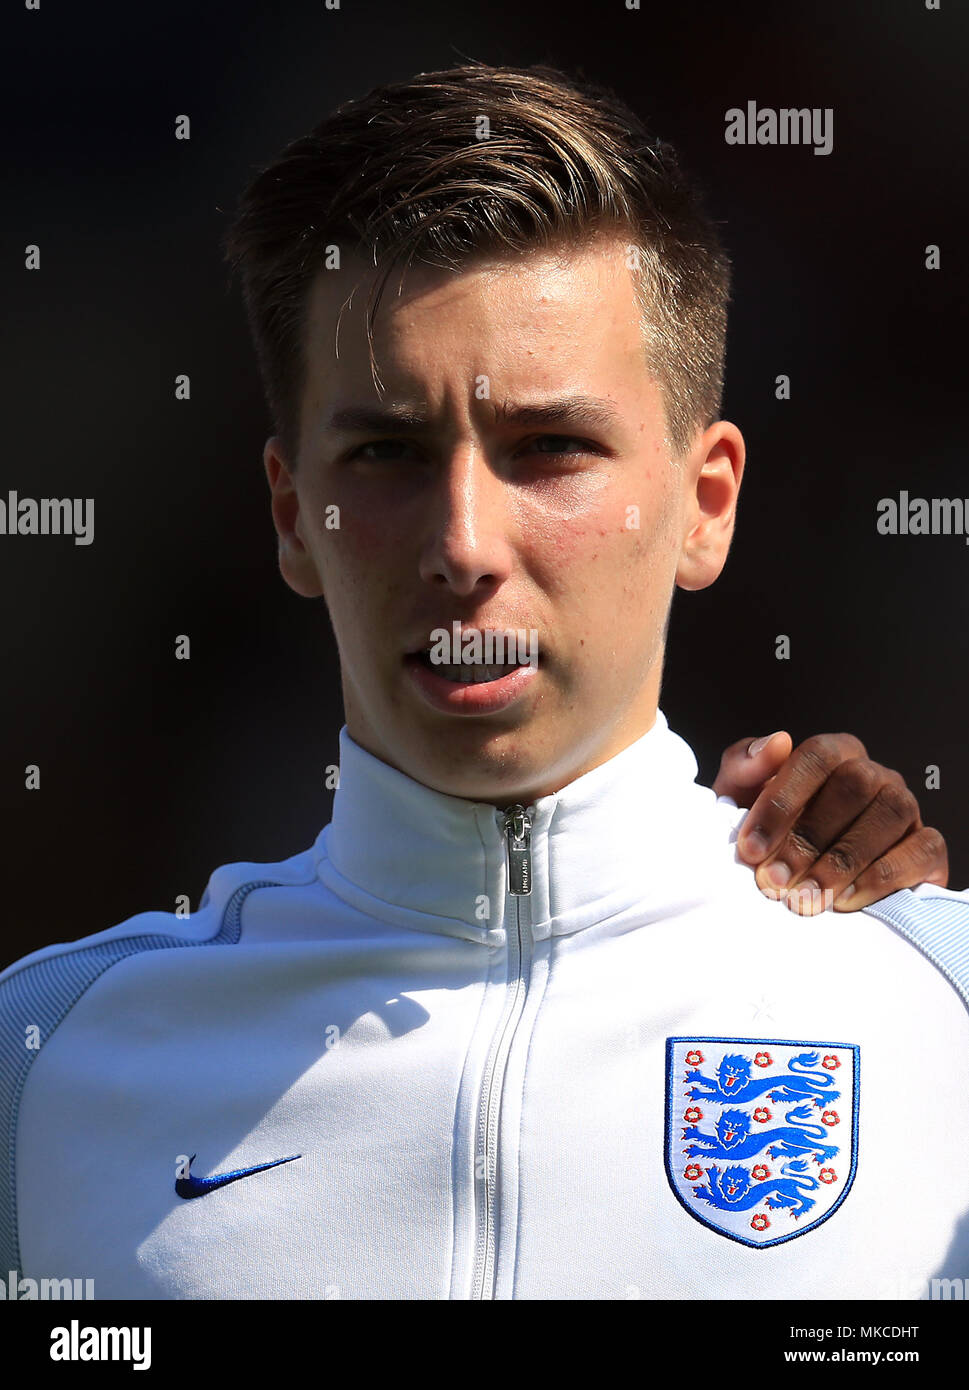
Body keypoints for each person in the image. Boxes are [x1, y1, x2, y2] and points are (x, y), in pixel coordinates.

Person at [1, 62, 964, 1302]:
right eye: (391, 452)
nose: (462, 544)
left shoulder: (944, 1014)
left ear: (705, 504)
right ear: (294, 514)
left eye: (550, 449)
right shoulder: (44, 1069)